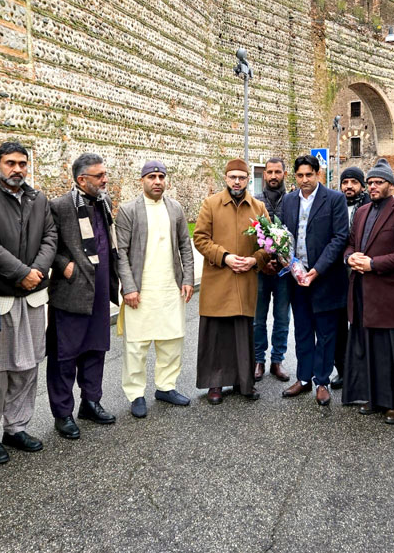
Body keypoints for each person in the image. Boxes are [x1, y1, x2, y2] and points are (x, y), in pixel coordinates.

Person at [0, 142, 57, 465]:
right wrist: (20, 273)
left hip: (32, 297)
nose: (17, 169)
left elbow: (50, 237)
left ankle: (17, 427)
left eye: (22, 163)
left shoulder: (38, 198)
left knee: (28, 365)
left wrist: (38, 272)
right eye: (10, 163)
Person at [343, 159, 394, 423]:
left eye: (379, 182)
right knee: (369, 348)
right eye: (371, 183)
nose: (373, 186)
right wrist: (350, 258)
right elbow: (351, 244)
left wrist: (373, 264)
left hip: (389, 295)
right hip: (362, 292)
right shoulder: (362, 211)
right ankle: (374, 399)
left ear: (390, 184)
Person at [47, 153, 119, 439]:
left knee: (95, 348)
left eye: (104, 174)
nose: (105, 179)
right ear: (81, 180)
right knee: (65, 355)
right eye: (99, 176)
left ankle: (91, 402)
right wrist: (65, 267)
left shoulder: (104, 202)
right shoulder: (61, 206)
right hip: (71, 292)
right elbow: (48, 243)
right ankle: (62, 413)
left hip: (100, 290)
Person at [115, 161, 194, 418]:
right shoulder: (128, 210)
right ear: (142, 181)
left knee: (172, 339)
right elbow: (122, 253)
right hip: (140, 288)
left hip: (170, 286)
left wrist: (188, 279)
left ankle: (166, 386)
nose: (157, 181)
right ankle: (136, 393)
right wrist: (129, 287)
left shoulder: (175, 208)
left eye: (161, 176)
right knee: (136, 345)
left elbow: (185, 245)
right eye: (152, 177)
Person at [193, 158, 270, 404]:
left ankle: (243, 382)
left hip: (245, 279)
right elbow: (201, 239)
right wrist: (224, 257)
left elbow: (270, 243)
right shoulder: (211, 204)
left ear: (248, 179)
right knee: (215, 333)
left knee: (242, 331)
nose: (237, 181)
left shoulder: (258, 207)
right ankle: (215, 383)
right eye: (233, 177)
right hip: (218, 278)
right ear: (225, 179)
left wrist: (254, 260)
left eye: (242, 177)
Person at [280, 154, 348, 406]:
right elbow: (283, 235)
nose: (305, 180)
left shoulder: (334, 200)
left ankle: (322, 381)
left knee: (326, 333)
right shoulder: (288, 201)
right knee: (303, 331)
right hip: (297, 279)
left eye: (309, 175)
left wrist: (317, 270)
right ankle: (303, 378)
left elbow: (340, 238)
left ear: (318, 174)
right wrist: (287, 262)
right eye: (300, 175)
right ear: (294, 177)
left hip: (325, 278)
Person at [331, 166, 371, 390]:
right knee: (338, 326)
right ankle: (343, 370)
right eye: (345, 182)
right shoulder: (334, 204)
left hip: (361, 272)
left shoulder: (368, 207)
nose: (348, 186)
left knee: (360, 323)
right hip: (337, 273)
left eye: (353, 182)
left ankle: (363, 371)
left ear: (361, 186)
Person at [253, 157, 290, 383]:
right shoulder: (255, 201)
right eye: (270, 172)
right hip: (260, 269)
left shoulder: (292, 200)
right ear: (264, 175)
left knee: (282, 317)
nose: (273, 176)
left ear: (284, 174)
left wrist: (285, 260)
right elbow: (249, 237)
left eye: (278, 172)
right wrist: (262, 261)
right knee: (257, 318)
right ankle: (258, 359)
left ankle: (277, 360)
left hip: (285, 272)